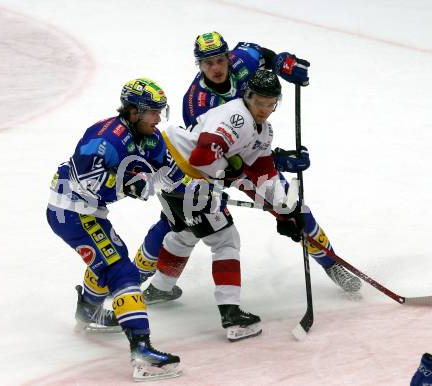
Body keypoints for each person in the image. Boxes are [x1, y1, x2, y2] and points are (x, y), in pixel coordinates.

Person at [136, 32, 361, 304]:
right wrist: (277, 160)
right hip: (207, 166)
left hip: (243, 155)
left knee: (293, 207)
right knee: (180, 224)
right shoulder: (197, 103)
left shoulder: (243, 61)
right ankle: (145, 278)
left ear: (229, 57)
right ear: (199, 66)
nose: (216, 68)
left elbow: (262, 54)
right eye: (207, 64)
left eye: (219, 60)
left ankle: (331, 264)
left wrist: (281, 62)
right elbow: (218, 159)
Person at [46, 78, 183, 381]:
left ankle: (89, 312)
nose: (158, 118)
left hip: (89, 213)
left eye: (160, 111)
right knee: (121, 270)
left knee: (107, 258)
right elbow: (87, 182)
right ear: (133, 111)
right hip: (70, 211)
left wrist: (197, 193)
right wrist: (128, 184)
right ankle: (142, 350)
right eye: (152, 112)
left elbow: (170, 174)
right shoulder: (104, 138)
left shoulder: (151, 138)